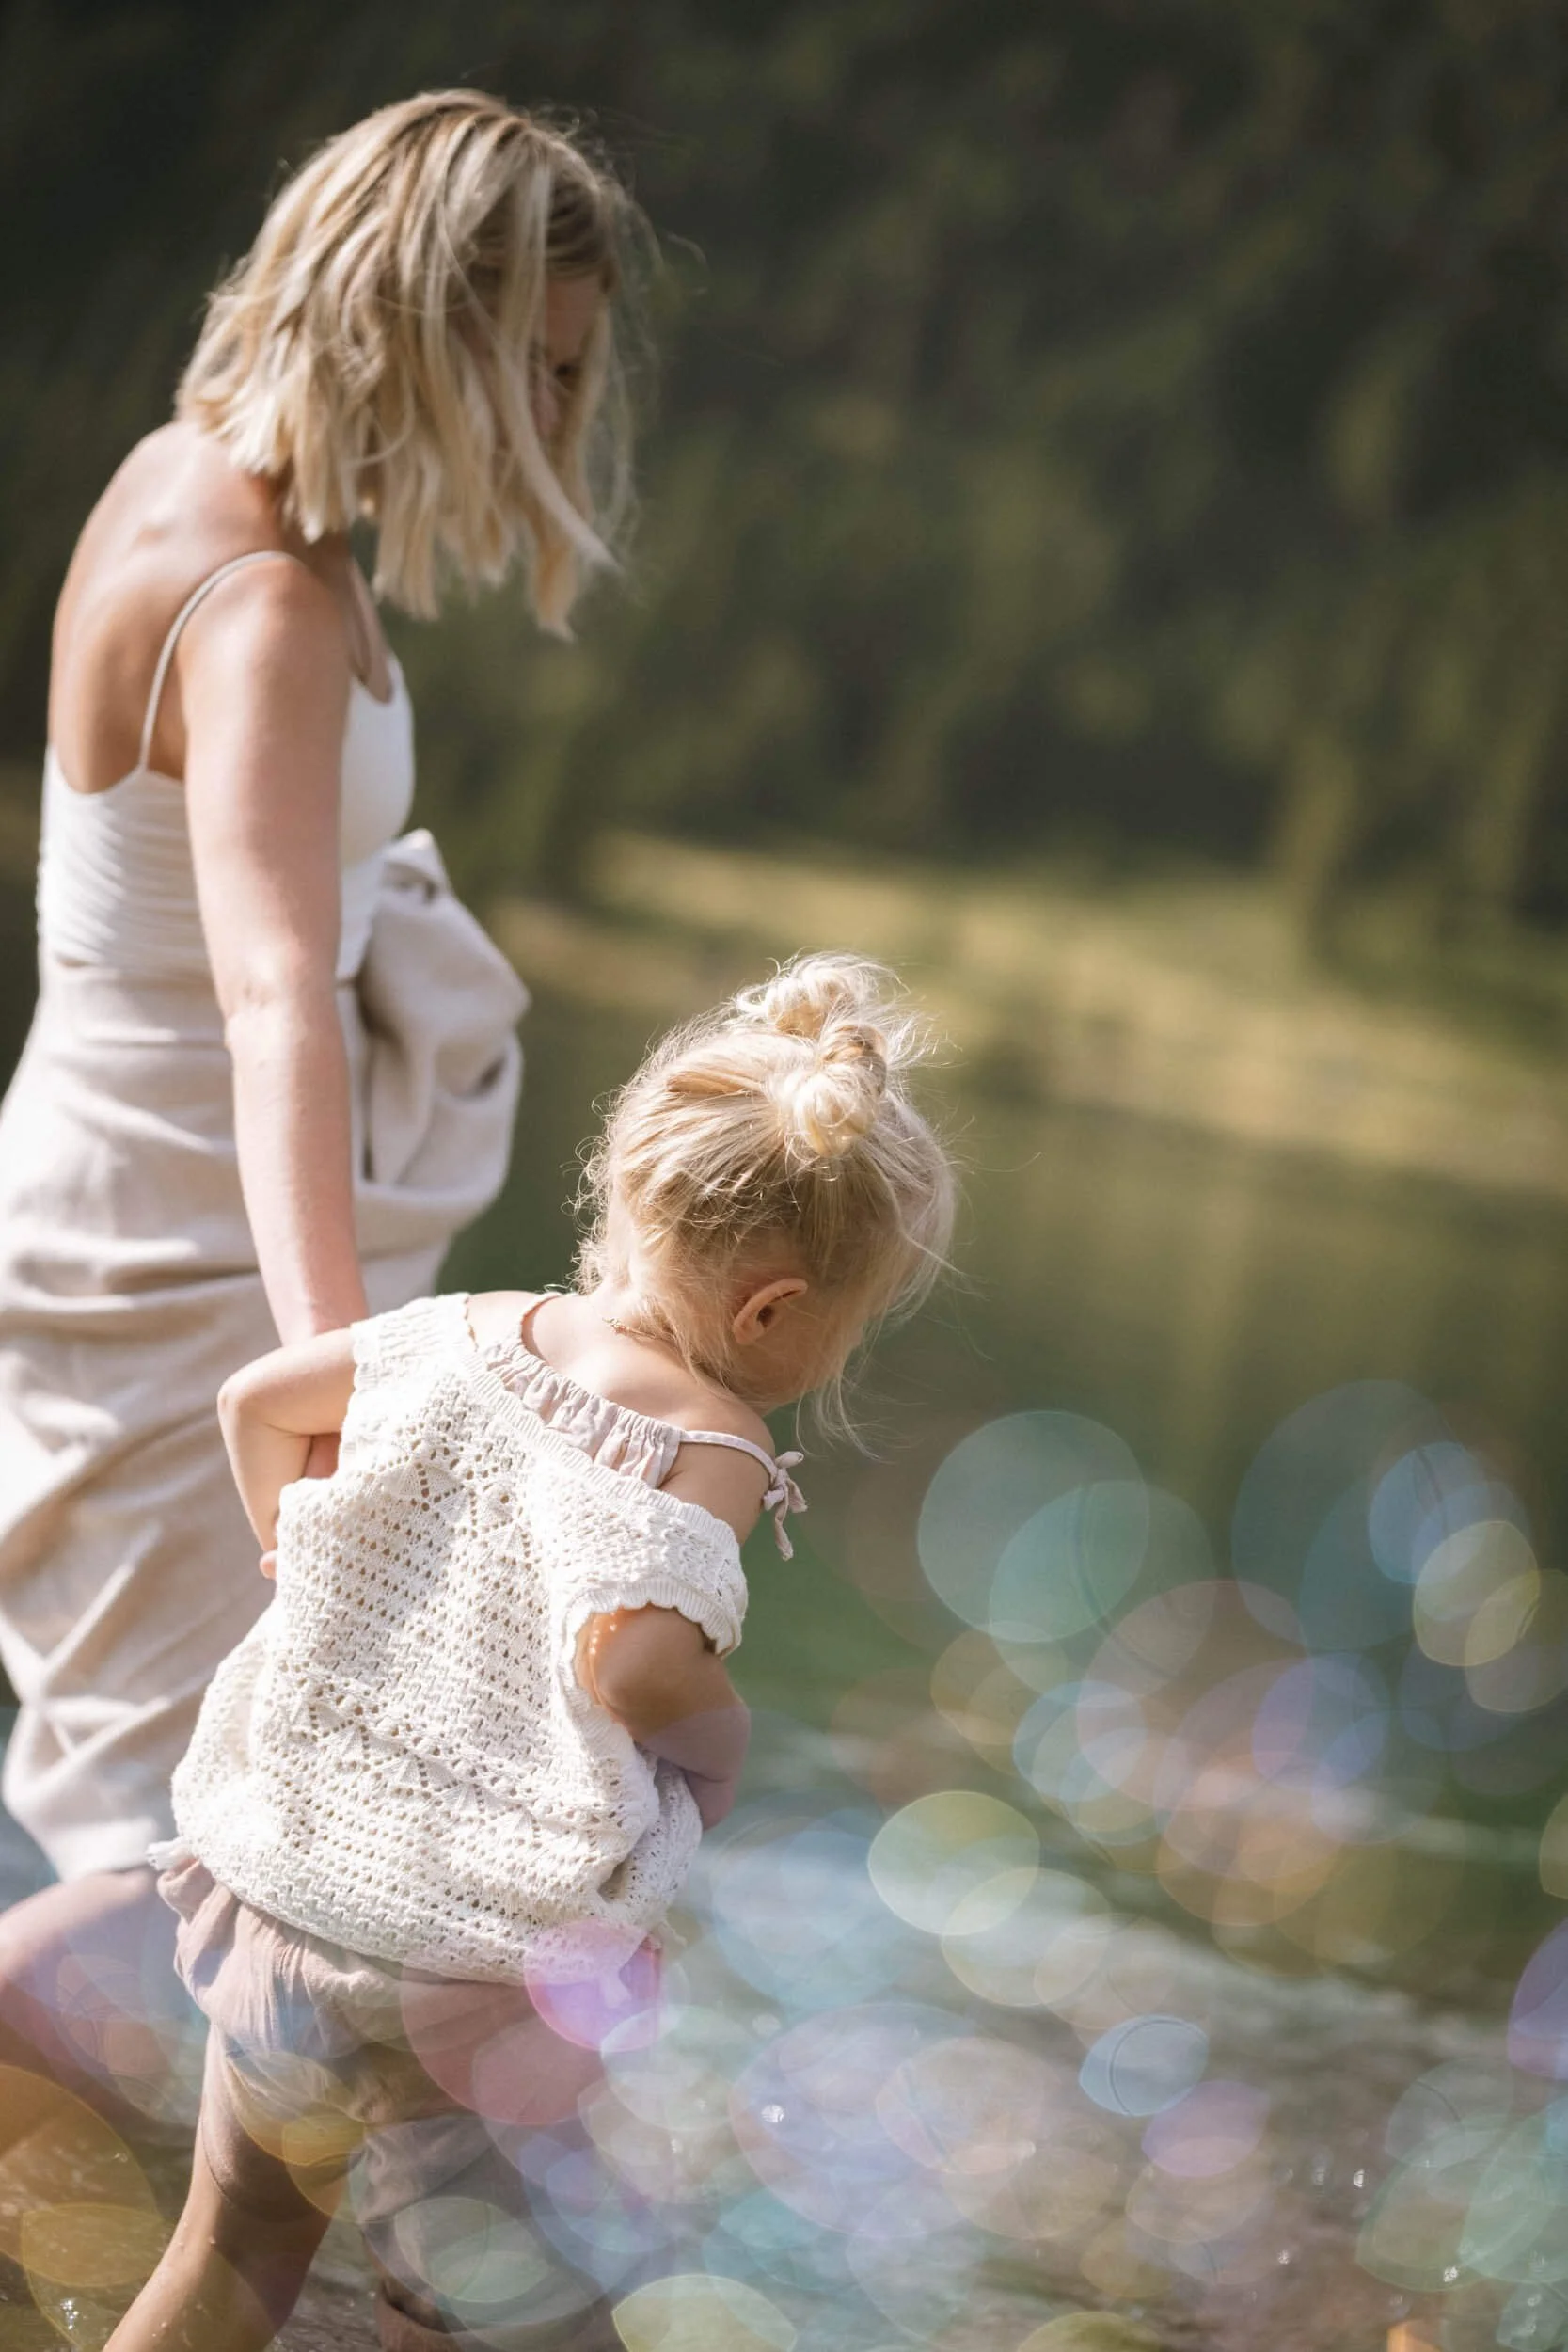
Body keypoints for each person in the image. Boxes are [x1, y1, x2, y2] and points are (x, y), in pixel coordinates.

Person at [0, 90, 640, 2124]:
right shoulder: (264, 595)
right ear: (424, 331)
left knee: (192, 1809)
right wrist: (344, 1392)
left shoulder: (195, 483)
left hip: (139, 1189)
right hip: (183, 1242)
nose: (561, 417)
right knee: (200, 1828)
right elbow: (274, 996)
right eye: (541, 368)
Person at [102, 952, 956, 2352]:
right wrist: (722, 1746)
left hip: (290, 1903)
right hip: (469, 1977)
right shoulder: (709, 1443)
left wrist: (297, 1550)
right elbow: (632, 1660)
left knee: (229, 2252)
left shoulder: (456, 1334)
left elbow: (257, 1401)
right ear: (769, 1309)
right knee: (485, 2314)